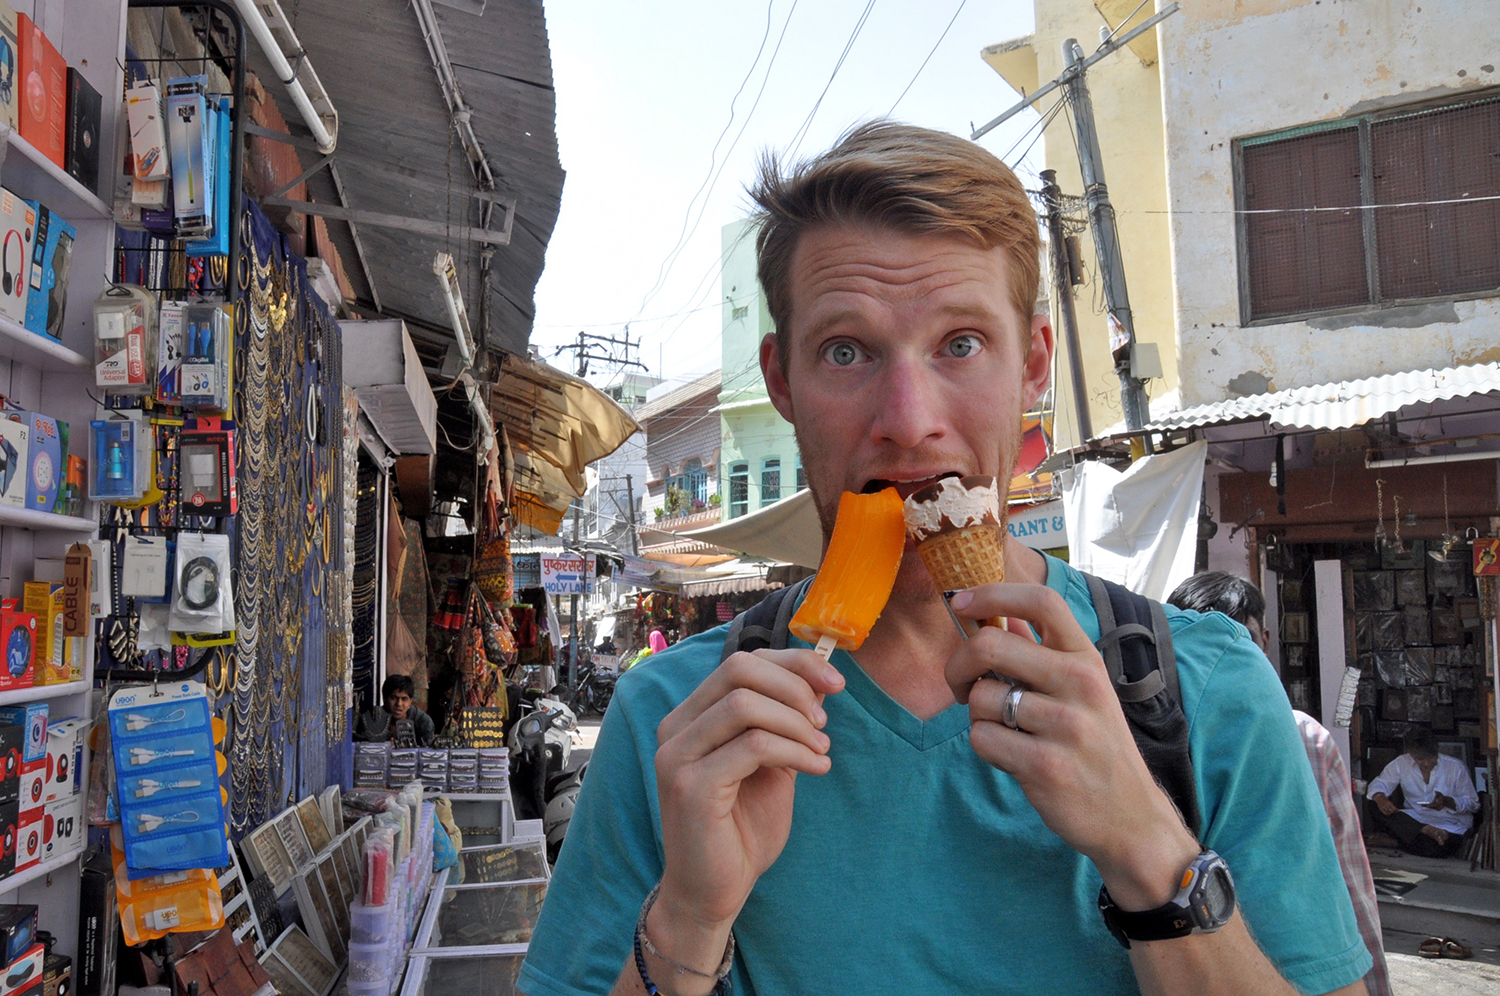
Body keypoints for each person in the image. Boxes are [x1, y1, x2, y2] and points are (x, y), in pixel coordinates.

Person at [519, 123, 1370, 996]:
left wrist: (1147, 850)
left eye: (961, 343)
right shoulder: (676, 719)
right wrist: (691, 915)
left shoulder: (1207, 691)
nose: (908, 417)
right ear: (781, 382)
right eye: (845, 351)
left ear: (1033, 364)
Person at [1168, 571, 1390, 996]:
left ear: (1264, 642)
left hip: (1297, 966)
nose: (1222, 664)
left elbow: (1348, 876)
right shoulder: (1146, 745)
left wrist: (1374, 980)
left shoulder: (1307, 740)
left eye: (1240, 643)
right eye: (1203, 645)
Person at [1366, 731, 1480, 858]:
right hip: (1414, 820)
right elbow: (1380, 784)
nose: (1427, 763)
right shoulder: (1401, 763)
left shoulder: (1456, 767)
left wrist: (1448, 801)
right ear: (1411, 754)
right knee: (1374, 804)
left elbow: (1474, 804)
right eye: (1420, 759)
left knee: (1437, 847)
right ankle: (1425, 830)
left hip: (1449, 824)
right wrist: (1381, 798)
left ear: (1437, 750)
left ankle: (1395, 843)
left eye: (1432, 757)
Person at [353, 674, 435, 747]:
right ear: (384, 699)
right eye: (393, 698)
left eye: (404, 699)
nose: (399, 704)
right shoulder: (372, 719)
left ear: (411, 701)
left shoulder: (423, 722)